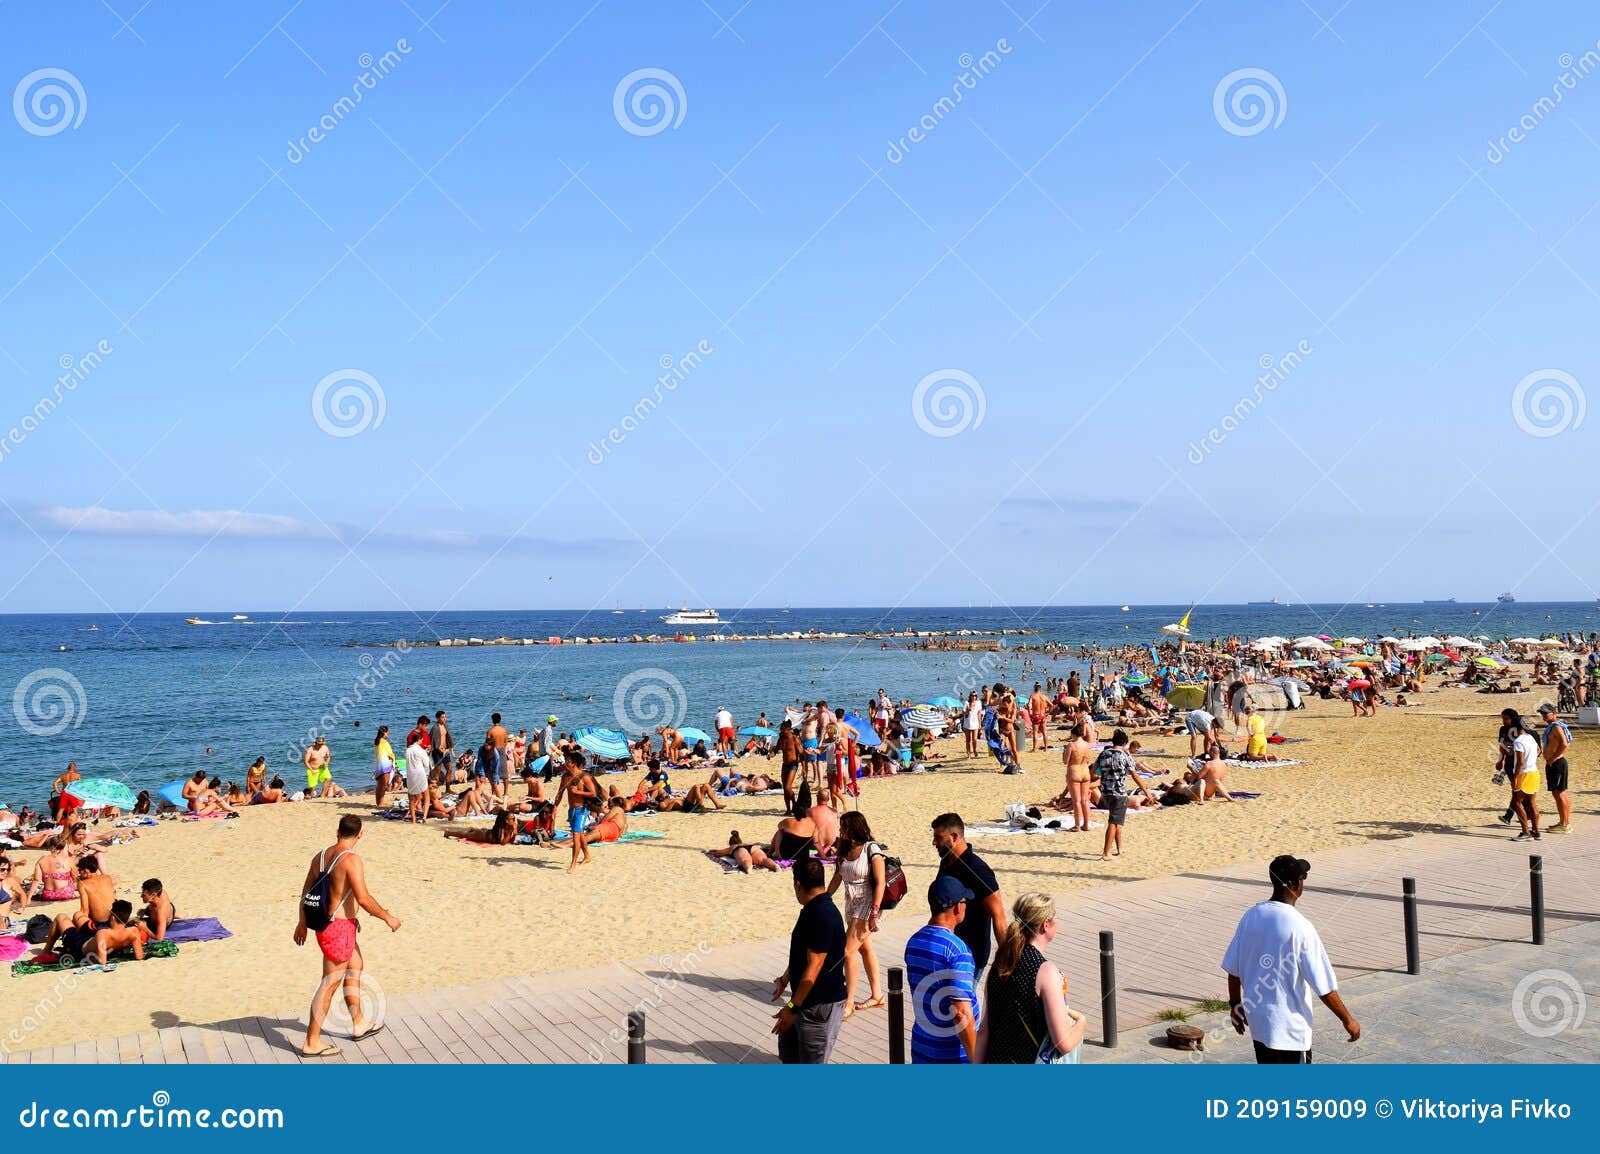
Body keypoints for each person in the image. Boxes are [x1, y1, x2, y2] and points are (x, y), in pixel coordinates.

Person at [1222, 855, 1359, 1063]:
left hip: (1260, 1025)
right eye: (1303, 878)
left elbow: (1233, 970)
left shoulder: (1251, 916)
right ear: (1296, 884)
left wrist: (1235, 1006)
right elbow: (1324, 987)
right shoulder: (1301, 927)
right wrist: (1348, 1020)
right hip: (1290, 1031)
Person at [293, 814, 401, 1057]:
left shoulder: (320, 856)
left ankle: (359, 1022)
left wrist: (301, 922)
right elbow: (363, 898)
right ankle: (312, 1041)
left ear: (337, 831)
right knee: (329, 984)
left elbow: (306, 892)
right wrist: (387, 917)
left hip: (335, 926)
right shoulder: (351, 860)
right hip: (337, 930)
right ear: (360, 834)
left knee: (355, 967)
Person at [975, 892, 1087, 1063]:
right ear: (1045, 925)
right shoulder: (1045, 971)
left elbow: (984, 1030)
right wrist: (1081, 1023)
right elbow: (1064, 1043)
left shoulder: (1000, 964)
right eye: (1055, 916)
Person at [770, 856, 848, 1063]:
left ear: (797, 885)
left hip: (819, 1005)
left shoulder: (821, 914)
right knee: (789, 1054)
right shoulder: (813, 908)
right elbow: (803, 955)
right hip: (805, 1001)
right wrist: (785, 979)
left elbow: (814, 967)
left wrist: (792, 1008)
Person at [905, 876, 979, 1063]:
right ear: (957, 907)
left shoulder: (914, 941)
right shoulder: (957, 951)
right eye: (964, 901)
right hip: (953, 1056)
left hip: (923, 1048)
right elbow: (961, 1012)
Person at [825, 811, 886, 1019]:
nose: (841, 830)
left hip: (868, 904)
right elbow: (837, 877)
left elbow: (880, 881)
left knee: (847, 951)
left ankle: (848, 1002)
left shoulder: (872, 849)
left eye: (844, 827)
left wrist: (875, 911)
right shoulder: (843, 848)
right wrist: (824, 898)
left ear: (855, 827)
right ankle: (877, 995)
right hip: (851, 904)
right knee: (864, 949)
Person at [931, 812, 1005, 980]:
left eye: (938, 837)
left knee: (961, 1005)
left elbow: (998, 915)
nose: (934, 842)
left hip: (970, 955)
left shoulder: (978, 869)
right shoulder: (947, 861)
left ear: (954, 836)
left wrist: (1007, 961)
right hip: (946, 950)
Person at [1093, 729, 1157, 860]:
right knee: (1113, 822)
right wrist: (1146, 791)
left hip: (1105, 792)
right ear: (1125, 743)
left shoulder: (1103, 754)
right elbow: (1135, 776)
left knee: (1117, 821)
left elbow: (1095, 771)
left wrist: (1107, 775)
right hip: (1119, 792)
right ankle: (1106, 853)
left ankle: (1119, 848)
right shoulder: (1125, 756)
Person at [1536, 702, 1573, 833]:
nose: (1543, 716)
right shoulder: (1554, 726)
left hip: (1557, 763)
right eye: (1542, 713)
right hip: (1555, 763)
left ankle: (1565, 824)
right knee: (1559, 793)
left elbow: (1565, 744)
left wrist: (1554, 757)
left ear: (1554, 713)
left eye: (1546, 713)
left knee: (1559, 793)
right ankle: (1564, 822)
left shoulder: (1556, 727)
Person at [1510, 718, 1542, 841]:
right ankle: (1536, 831)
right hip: (1534, 772)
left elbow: (1520, 762)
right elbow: (1539, 751)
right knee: (1532, 803)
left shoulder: (1518, 741)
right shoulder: (1531, 738)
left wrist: (1515, 778)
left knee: (1516, 803)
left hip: (1524, 774)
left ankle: (1525, 832)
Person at [403, 730, 433, 822]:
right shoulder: (420, 750)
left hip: (410, 775)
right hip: (420, 775)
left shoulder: (407, 750)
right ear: (419, 740)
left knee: (412, 799)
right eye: (421, 740)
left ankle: (413, 819)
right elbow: (426, 763)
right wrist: (426, 753)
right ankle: (424, 817)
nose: (422, 741)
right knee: (426, 796)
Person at [429, 710, 454, 787]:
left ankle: (448, 788)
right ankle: (435, 789)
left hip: (445, 751)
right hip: (437, 752)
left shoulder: (445, 726)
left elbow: (448, 738)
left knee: (449, 769)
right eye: (442, 717)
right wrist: (441, 751)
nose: (445, 718)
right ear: (438, 718)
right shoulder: (435, 728)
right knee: (437, 771)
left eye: (445, 717)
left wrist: (451, 749)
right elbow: (435, 744)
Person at [372, 726, 396, 806]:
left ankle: (378, 802)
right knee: (383, 785)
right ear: (384, 733)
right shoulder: (385, 742)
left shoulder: (377, 742)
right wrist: (394, 761)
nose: (388, 734)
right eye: (387, 732)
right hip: (385, 765)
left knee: (380, 784)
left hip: (379, 765)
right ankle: (381, 802)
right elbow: (390, 754)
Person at [963, 691, 982, 757]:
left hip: (975, 723)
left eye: (975, 696)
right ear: (970, 696)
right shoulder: (966, 703)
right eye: (972, 696)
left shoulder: (978, 703)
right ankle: (968, 753)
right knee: (968, 740)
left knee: (974, 739)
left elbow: (979, 714)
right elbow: (964, 713)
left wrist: (980, 724)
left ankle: (974, 750)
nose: (974, 697)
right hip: (967, 723)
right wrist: (968, 710)